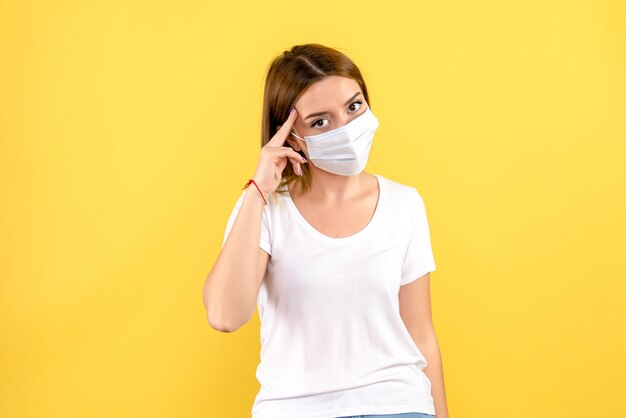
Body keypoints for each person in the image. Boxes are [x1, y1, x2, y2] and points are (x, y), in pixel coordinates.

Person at [203, 43, 450, 418]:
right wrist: (258, 190)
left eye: (354, 107)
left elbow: (422, 335)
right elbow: (224, 315)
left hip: (398, 405)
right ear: (289, 136)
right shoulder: (265, 208)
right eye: (320, 121)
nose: (347, 129)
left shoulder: (405, 204)